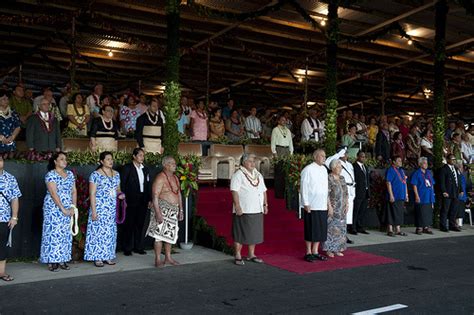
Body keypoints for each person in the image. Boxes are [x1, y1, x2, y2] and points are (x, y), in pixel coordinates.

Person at [84, 151, 124, 267]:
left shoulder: (116, 174)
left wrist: (120, 194)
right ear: (101, 161)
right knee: (98, 232)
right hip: (100, 207)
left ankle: (108, 255)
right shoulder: (95, 175)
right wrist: (94, 211)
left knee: (110, 233)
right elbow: (92, 193)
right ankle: (98, 257)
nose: (110, 161)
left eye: (111, 159)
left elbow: (118, 189)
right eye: (107, 159)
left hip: (111, 208)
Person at [39, 152, 77, 271]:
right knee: (52, 234)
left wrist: (73, 207)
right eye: (61, 159)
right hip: (53, 208)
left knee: (65, 234)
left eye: (65, 159)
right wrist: (62, 209)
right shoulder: (51, 175)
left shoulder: (70, 174)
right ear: (55, 161)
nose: (64, 161)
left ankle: (63, 259)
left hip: (68, 207)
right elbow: (53, 193)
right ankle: (52, 260)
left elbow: (74, 191)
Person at [230, 154, 268, 265]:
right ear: (243, 162)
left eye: (254, 161)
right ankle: (238, 255)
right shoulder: (238, 175)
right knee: (240, 233)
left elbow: (264, 190)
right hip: (244, 209)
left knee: (254, 233)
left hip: (257, 208)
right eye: (250, 161)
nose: (253, 163)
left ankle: (251, 254)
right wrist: (237, 206)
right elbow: (234, 191)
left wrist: (265, 204)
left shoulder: (258, 175)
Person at [147, 156, 183, 267]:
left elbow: (179, 194)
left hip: (173, 210)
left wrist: (181, 210)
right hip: (162, 210)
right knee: (159, 236)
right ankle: (157, 259)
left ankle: (168, 257)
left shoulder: (175, 178)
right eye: (172, 163)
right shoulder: (160, 178)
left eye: (174, 163)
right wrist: (157, 213)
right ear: (165, 165)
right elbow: (155, 196)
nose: (174, 165)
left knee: (170, 234)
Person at [300, 149, 330, 263]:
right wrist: (306, 203)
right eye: (322, 156)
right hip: (312, 205)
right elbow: (304, 187)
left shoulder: (324, 170)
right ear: (316, 156)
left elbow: (325, 188)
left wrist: (327, 203)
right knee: (310, 229)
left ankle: (315, 251)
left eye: (325, 156)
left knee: (320, 229)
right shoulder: (308, 169)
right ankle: (308, 252)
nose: (324, 158)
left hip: (321, 204)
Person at [120, 148, 150, 256]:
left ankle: (139, 247)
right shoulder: (127, 168)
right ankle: (127, 248)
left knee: (140, 224)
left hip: (142, 199)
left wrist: (149, 199)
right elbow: (122, 184)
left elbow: (147, 185)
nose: (142, 157)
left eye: (143, 155)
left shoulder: (145, 169)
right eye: (140, 155)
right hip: (130, 199)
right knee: (129, 224)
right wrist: (124, 200)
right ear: (134, 156)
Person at [325, 147, 355, 242]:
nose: (346, 155)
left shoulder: (349, 164)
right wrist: (338, 154)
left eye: (346, 153)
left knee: (347, 214)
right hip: (338, 191)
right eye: (344, 153)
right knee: (336, 217)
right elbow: (327, 162)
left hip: (349, 190)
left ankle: (343, 235)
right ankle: (337, 237)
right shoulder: (335, 161)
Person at [0, 155, 21, 282]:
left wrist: (14, 217)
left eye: (1, 159)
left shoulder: (10, 178)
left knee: (2, 245)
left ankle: (1, 272)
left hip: (3, 217)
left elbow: (15, 198)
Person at [323, 159, 349, 257]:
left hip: (342, 207)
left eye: (341, 167)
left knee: (341, 228)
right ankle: (329, 249)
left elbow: (346, 192)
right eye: (338, 167)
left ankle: (338, 248)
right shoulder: (329, 178)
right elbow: (327, 193)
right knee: (331, 228)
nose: (340, 169)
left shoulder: (342, 178)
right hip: (333, 207)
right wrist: (329, 206)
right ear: (333, 168)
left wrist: (347, 204)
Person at [271, 115, 294, 199]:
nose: (284, 121)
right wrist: (274, 153)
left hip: (287, 150)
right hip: (279, 149)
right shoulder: (275, 130)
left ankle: (285, 193)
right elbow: (273, 142)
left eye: (285, 120)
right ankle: (278, 193)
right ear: (279, 121)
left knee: (286, 172)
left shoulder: (288, 130)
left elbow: (290, 142)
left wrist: (291, 153)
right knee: (279, 172)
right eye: (282, 120)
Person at [411, 157, 435, 235]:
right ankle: (419, 228)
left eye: (426, 163)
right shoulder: (417, 173)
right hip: (421, 196)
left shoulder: (429, 172)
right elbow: (414, 185)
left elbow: (432, 184)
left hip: (429, 196)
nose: (426, 164)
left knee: (428, 212)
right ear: (420, 164)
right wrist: (417, 196)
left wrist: (432, 195)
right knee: (420, 212)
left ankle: (426, 227)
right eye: (424, 163)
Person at [385, 155, 408, 237]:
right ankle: (390, 229)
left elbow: (405, 183)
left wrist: (406, 194)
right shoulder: (391, 170)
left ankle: (398, 229)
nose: (400, 162)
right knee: (391, 212)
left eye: (401, 160)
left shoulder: (402, 171)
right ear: (394, 162)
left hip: (401, 195)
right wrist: (391, 195)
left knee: (399, 213)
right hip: (394, 195)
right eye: (398, 160)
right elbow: (388, 182)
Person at [439, 154, 462, 232]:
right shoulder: (444, 169)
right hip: (448, 193)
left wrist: (461, 190)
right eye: (452, 159)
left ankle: (452, 225)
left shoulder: (456, 168)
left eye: (454, 159)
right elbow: (441, 182)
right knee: (445, 210)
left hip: (455, 192)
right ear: (448, 160)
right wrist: (444, 191)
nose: (454, 161)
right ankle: (443, 226)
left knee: (454, 210)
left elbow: (458, 180)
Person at [352, 151, 370, 234]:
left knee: (362, 210)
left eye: (364, 157)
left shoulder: (365, 167)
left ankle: (360, 226)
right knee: (356, 210)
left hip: (365, 192)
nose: (363, 158)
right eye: (362, 156)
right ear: (357, 157)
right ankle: (353, 227)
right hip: (358, 192)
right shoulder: (354, 166)